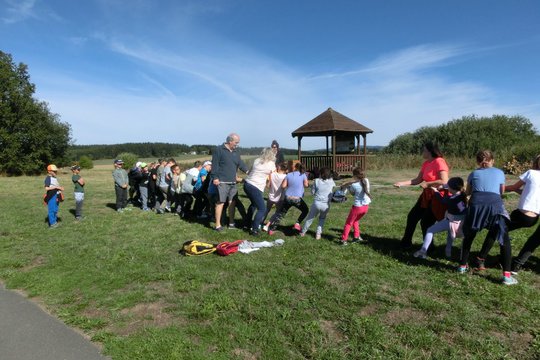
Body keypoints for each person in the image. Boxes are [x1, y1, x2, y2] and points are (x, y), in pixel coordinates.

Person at [457, 150, 517, 285]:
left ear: (477, 162)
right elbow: (501, 192)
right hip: (494, 205)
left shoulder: (473, 174)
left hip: (476, 205)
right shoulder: (500, 172)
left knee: (469, 236)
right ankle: (507, 276)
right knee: (504, 238)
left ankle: (462, 266)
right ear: (493, 161)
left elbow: (468, 193)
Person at [475, 155, 540, 273]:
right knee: (500, 230)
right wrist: (519, 191)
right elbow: (529, 194)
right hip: (533, 219)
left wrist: (500, 189)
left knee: (496, 229)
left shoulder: (531, 173)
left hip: (522, 214)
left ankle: (482, 258)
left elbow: (514, 187)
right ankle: (496, 259)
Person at [393, 142, 449, 249]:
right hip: (426, 196)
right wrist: (401, 183)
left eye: (424, 150)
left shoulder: (440, 162)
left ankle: (429, 248)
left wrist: (428, 184)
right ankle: (406, 243)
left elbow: (444, 180)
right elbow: (418, 180)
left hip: (437, 197)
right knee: (412, 217)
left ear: (430, 151)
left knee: (426, 222)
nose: (422, 152)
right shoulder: (426, 163)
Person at [413, 177, 467, 259]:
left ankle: (422, 251)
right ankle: (448, 253)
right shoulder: (462, 195)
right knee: (450, 237)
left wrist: (436, 191)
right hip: (461, 222)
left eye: (448, 186)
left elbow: (442, 200)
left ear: (451, 188)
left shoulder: (452, 199)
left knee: (430, 230)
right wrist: (443, 186)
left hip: (451, 222)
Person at [211, 133, 248, 231]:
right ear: (230, 141)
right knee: (220, 203)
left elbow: (240, 163)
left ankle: (231, 223)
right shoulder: (219, 150)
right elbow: (214, 165)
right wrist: (215, 177)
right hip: (222, 181)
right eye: (236, 142)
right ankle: (218, 225)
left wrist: (248, 171)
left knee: (232, 202)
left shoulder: (236, 151)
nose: (237, 145)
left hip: (233, 182)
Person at [268, 162, 309, 235]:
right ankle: (297, 223)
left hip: (288, 198)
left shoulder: (289, 175)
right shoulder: (303, 175)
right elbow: (306, 185)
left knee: (281, 214)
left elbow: (283, 186)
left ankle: (272, 229)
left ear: (295, 168)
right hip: (297, 199)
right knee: (305, 210)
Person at [244, 148, 276, 235]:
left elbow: (250, 172)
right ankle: (254, 229)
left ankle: (246, 224)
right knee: (262, 208)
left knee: (254, 204)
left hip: (247, 184)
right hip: (255, 186)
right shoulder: (271, 164)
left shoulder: (257, 160)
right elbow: (274, 175)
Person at [300, 167, 335, 240]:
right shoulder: (332, 182)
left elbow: (312, 192)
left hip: (317, 203)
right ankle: (318, 234)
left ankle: (303, 232)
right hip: (326, 205)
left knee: (310, 218)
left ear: (321, 174)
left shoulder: (316, 181)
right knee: (322, 219)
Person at [339, 167, 371, 245]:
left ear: (355, 176)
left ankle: (344, 240)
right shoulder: (366, 180)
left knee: (348, 223)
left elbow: (353, 193)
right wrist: (349, 183)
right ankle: (356, 237)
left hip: (357, 207)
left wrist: (346, 185)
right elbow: (358, 181)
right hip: (365, 207)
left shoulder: (354, 185)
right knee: (355, 221)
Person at [263, 162, 288, 231]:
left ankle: (260, 223)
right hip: (280, 198)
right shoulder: (285, 177)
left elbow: (268, 185)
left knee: (266, 210)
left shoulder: (272, 174)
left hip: (271, 196)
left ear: (279, 167)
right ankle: (267, 225)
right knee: (277, 212)